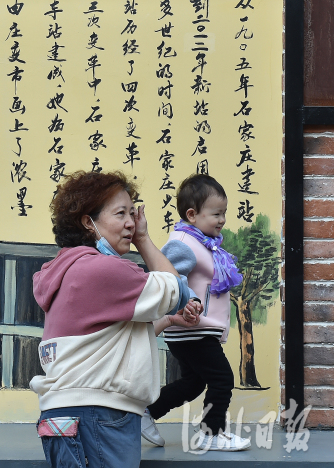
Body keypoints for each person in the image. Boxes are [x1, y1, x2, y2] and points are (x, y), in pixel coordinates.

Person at [30, 171, 202, 468]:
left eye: (133, 215)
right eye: (121, 213)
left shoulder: (65, 269)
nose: (131, 223)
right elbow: (179, 290)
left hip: (68, 415)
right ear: (88, 222)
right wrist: (144, 239)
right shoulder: (103, 270)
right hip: (98, 416)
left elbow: (110, 341)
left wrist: (169, 321)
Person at [141, 174, 251, 452]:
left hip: (195, 330)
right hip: (191, 328)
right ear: (192, 214)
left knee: (193, 383)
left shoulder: (203, 242)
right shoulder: (183, 242)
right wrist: (186, 301)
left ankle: (145, 413)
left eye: (223, 213)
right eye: (216, 213)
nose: (222, 219)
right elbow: (167, 278)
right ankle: (211, 433)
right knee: (222, 378)